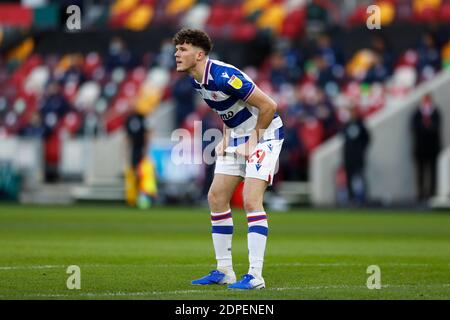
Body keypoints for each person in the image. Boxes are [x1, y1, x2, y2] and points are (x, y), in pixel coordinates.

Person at [173, 28, 284, 290]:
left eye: (183, 49)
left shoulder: (224, 76)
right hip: (237, 136)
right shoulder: (196, 79)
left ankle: (256, 276)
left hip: (265, 134)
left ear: (199, 55)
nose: (176, 54)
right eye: (177, 49)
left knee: (250, 200)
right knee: (216, 197)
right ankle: (224, 270)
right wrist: (226, 135)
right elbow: (227, 109)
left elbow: (269, 106)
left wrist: (253, 141)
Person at [411, 94, 442, 201]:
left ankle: (432, 193)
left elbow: (436, 127)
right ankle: (421, 193)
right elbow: (414, 128)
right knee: (420, 171)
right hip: (420, 147)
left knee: (433, 171)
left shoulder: (435, 112)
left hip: (433, 147)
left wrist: (427, 128)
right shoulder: (417, 113)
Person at [342, 105, 371, 205]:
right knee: (349, 178)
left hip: (358, 157)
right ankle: (351, 198)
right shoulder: (346, 124)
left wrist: (361, 150)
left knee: (359, 176)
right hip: (348, 156)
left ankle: (362, 198)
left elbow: (367, 138)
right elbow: (343, 138)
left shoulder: (360, 124)